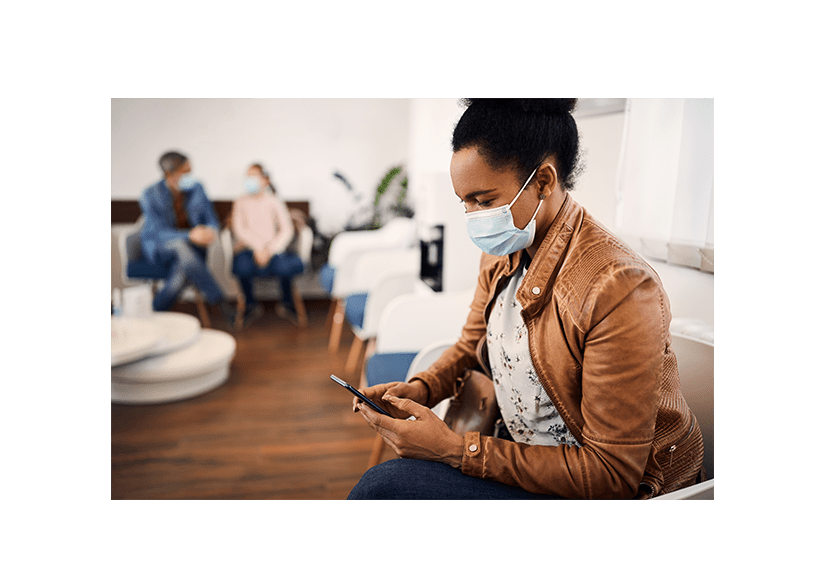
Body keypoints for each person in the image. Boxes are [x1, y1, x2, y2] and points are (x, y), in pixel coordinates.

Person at [347, 99, 704, 500]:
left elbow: (610, 475)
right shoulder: (504, 250)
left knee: (383, 488)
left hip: (602, 490)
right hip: (523, 457)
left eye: (484, 201)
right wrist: (421, 389)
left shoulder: (618, 288)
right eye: (465, 202)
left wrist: (455, 450)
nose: (473, 217)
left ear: (544, 181)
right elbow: (470, 346)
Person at [139, 151, 235, 323]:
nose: (190, 175)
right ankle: (219, 300)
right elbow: (159, 233)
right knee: (179, 245)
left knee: (181, 273)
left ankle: (152, 314)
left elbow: (210, 218)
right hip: (161, 248)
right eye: (185, 172)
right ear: (169, 174)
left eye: (190, 171)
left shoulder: (197, 188)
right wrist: (190, 235)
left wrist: (210, 231)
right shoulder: (150, 195)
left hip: (193, 251)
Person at [230, 163, 304, 327]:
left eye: (254, 176)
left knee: (286, 267)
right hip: (249, 249)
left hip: (273, 251)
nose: (249, 180)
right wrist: (258, 248)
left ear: (265, 180)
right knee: (241, 267)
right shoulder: (240, 201)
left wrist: (269, 250)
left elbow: (286, 229)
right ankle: (250, 305)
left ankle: (287, 303)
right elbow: (240, 229)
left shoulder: (274, 201)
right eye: (247, 176)